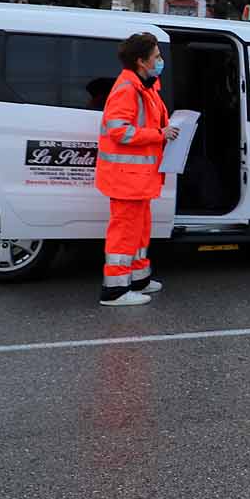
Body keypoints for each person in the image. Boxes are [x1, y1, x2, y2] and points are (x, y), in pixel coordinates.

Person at [94, 33, 178, 307]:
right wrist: (159, 134)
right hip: (126, 178)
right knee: (124, 232)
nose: (160, 61)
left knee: (140, 230)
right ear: (141, 61)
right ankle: (115, 290)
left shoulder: (145, 86)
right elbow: (119, 131)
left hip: (137, 178)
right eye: (156, 57)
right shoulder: (128, 89)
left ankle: (138, 278)